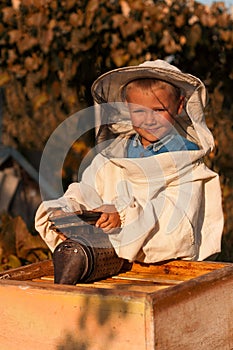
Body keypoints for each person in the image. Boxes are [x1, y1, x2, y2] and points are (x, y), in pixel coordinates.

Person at [35, 59, 224, 284]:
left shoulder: (186, 163)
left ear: (179, 105)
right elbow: (89, 189)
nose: (149, 119)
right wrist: (71, 210)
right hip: (113, 274)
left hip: (168, 275)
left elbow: (176, 227)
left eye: (159, 110)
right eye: (139, 111)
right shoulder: (114, 156)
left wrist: (123, 217)